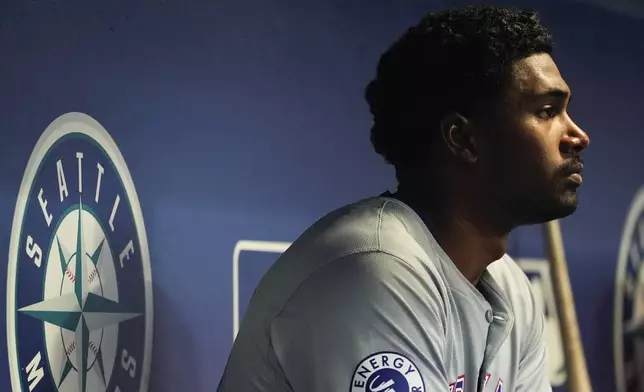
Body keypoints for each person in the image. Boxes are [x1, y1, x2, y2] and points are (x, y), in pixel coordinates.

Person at [217, 5, 589, 392]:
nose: (578, 135)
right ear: (463, 140)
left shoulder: (510, 288)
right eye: (547, 112)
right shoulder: (376, 269)